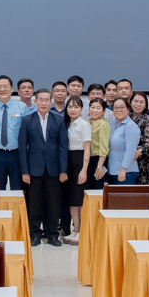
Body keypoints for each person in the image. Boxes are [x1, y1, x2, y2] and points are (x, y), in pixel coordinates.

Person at [19, 89, 68, 246]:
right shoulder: (27, 120)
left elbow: (63, 147)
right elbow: (22, 148)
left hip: (54, 170)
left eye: (47, 100)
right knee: (34, 203)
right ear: (35, 101)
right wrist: (25, 171)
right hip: (34, 170)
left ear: (51, 102)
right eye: (41, 99)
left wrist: (63, 171)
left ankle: (52, 234)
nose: (44, 102)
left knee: (53, 203)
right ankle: (34, 234)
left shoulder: (59, 120)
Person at [0, 76, 29, 190]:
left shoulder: (22, 107)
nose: (2, 89)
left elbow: (28, 136)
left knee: (19, 190)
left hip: (17, 155)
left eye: (5, 86)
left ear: (11, 89)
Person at [64, 98, 91, 238]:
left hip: (80, 161)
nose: (73, 109)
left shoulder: (84, 125)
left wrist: (84, 169)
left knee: (80, 198)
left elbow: (87, 148)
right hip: (68, 161)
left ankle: (81, 232)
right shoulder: (67, 124)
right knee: (72, 198)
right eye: (70, 107)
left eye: (76, 107)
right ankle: (75, 230)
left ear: (81, 109)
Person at [105, 97, 141, 189]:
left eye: (122, 107)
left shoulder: (131, 126)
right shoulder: (111, 124)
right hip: (112, 170)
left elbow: (130, 150)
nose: (119, 110)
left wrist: (123, 169)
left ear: (128, 109)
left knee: (125, 202)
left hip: (126, 172)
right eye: (116, 107)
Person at [131, 93, 149, 186]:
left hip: (144, 161)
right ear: (130, 102)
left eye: (141, 102)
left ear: (145, 105)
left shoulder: (147, 119)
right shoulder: (126, 118)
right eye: (135, 101)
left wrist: (138, 150)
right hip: (128, 160)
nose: (138, 104)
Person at [86, 99, 110, 190]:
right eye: (92, 107)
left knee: (98, 189)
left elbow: (104, 148)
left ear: (103, 111)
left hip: (99, 160)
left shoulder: (103, 125)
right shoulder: (87, 123)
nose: (94, 110)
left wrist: (99, 166)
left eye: (98, 108)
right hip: (89, 160)